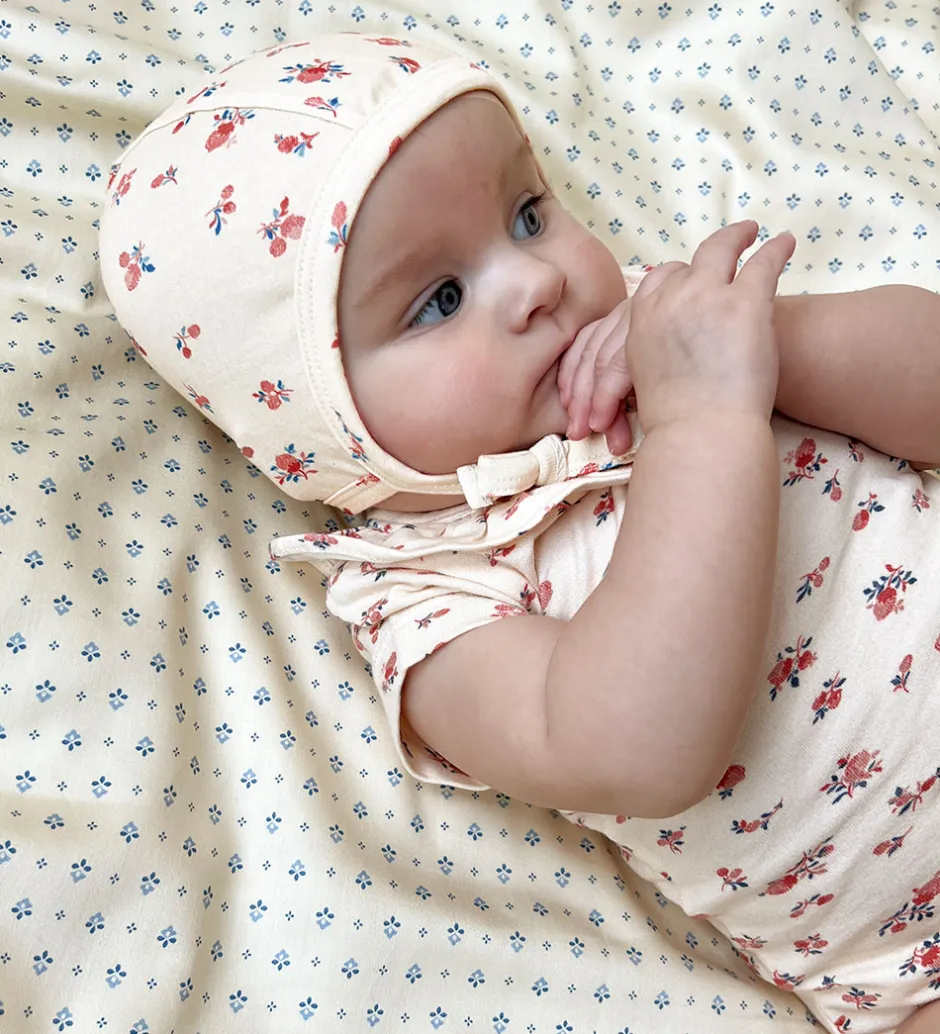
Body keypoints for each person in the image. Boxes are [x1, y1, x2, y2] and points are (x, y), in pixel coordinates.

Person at [98, 32, 940, 1034]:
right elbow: (639, 746)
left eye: (528, 214)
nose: (535, 280)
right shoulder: (423, 593)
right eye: (438, 300)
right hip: (910, 957)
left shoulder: (669, 334)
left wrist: (768, 347)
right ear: (319, 426)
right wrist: (704, 422)